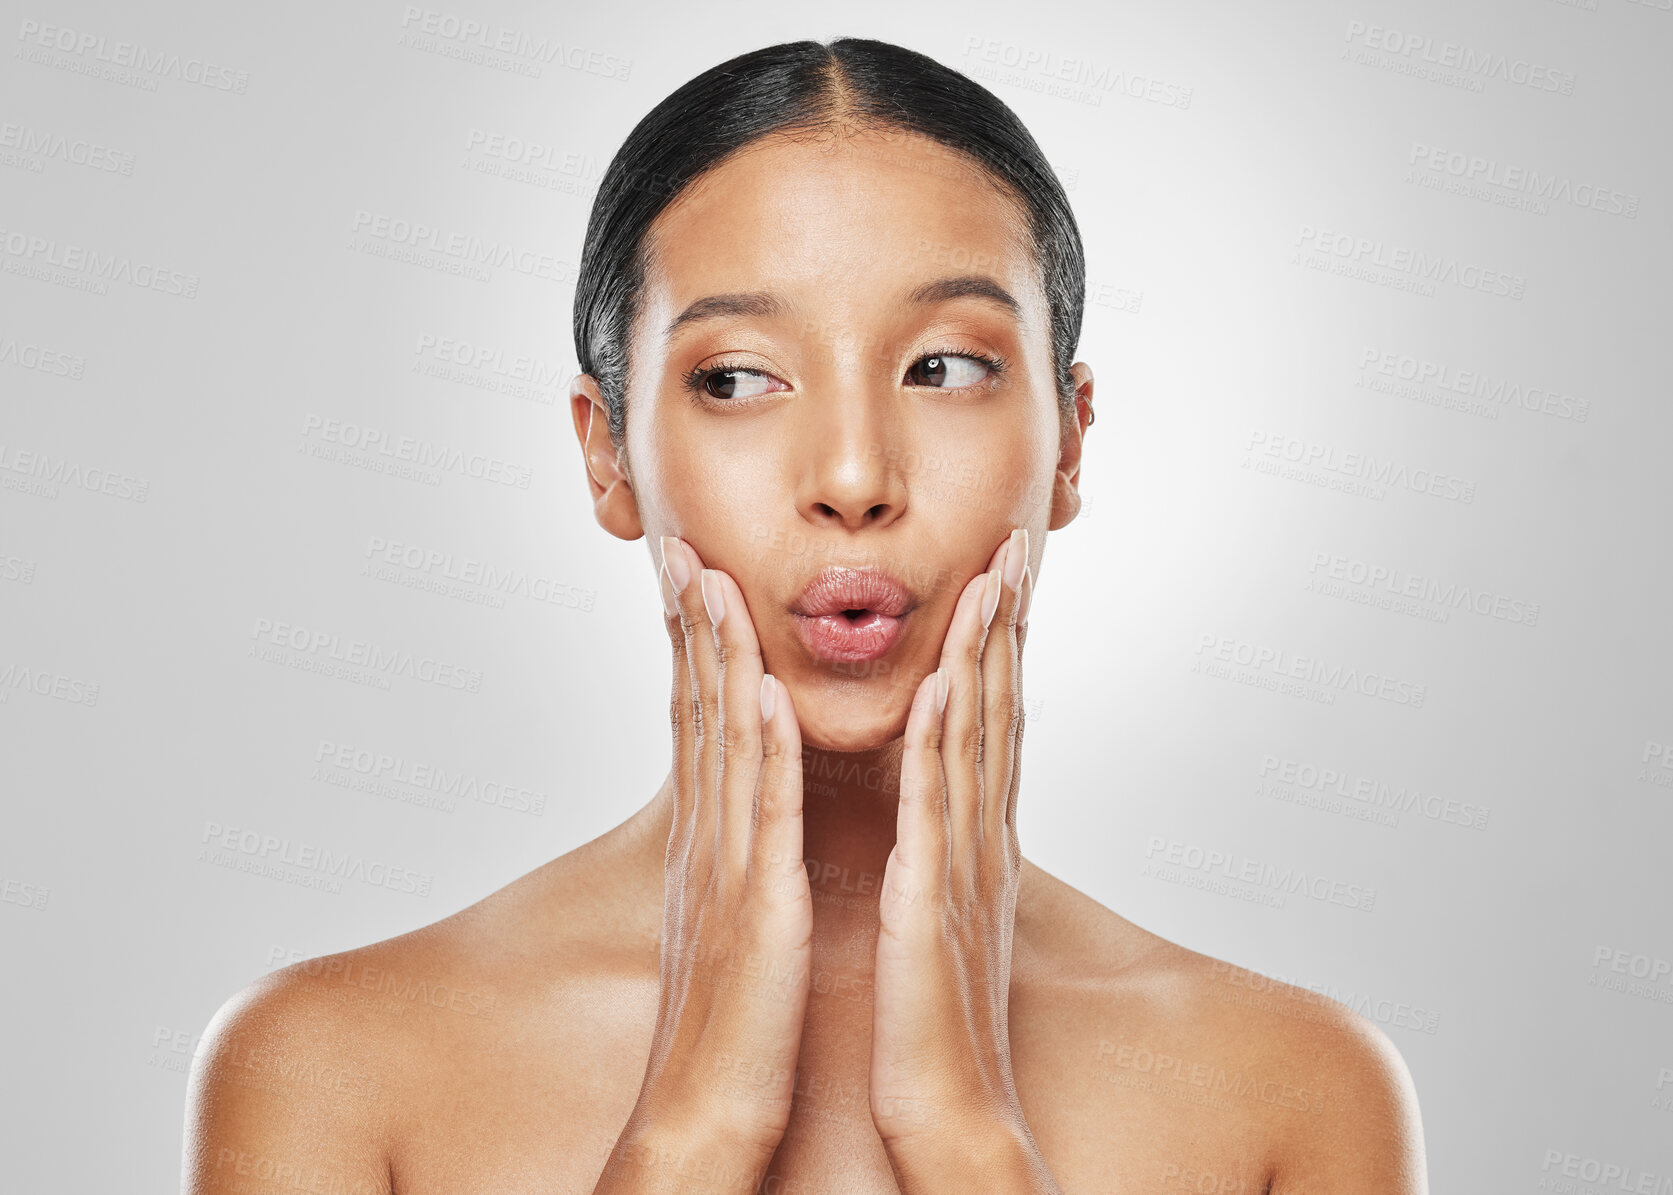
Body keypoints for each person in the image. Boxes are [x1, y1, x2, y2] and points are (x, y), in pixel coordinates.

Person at [183, 37, 1427, 1194]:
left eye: (943, 365)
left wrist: (965, 1129)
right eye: (736, 377)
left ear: (1068, 442)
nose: (850, 475)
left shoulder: (1295, 1093)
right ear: (606, 455)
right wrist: (690, 1124)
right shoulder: (328, 1070)